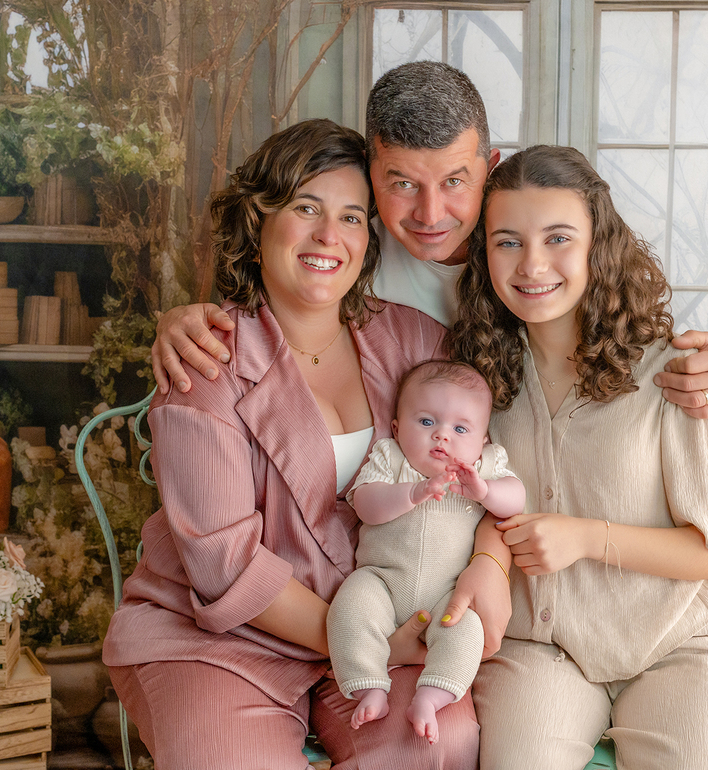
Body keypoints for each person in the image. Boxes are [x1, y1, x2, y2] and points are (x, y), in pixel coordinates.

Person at [102, 119, 499, 770]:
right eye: (305, 209)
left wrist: (489, 564)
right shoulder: (207, 359)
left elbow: (489, 469)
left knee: (437, 746)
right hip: (220, 639)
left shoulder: (419, 344)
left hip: (386, 619)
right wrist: (367, 641)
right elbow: (225, 566)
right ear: (258, 222)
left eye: (349, 217)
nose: (327, 237)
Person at [148, 61, 708, 427]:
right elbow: (260, 322)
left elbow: (619, 328)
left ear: (489, 166)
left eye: (455, 182)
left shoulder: (535, 247)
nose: (430, 214)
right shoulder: (343, 250)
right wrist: (181, 320)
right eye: (402, 184)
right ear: (370, 167)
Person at [446, 145, 708, 769]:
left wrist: (587, 537)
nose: (532, 264)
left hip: (679, 644)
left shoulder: (674, 372)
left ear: (599, 245)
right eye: (506, 241)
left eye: (558, 237)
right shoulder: (475, 378)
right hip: (539, 645)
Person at [328, 360, 525, 745]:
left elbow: (516, 499)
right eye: (426, 423)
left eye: (461, 429)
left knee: (465, 628)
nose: (442, 437)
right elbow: (365, 504)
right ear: (398, 428)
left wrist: (484, 491)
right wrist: (413, 493)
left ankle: (432, 696)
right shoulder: (391, 458)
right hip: (382, 580)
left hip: (446, 593)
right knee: (349, 607)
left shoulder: (485, 467)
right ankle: (370, 686)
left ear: (483, 440)